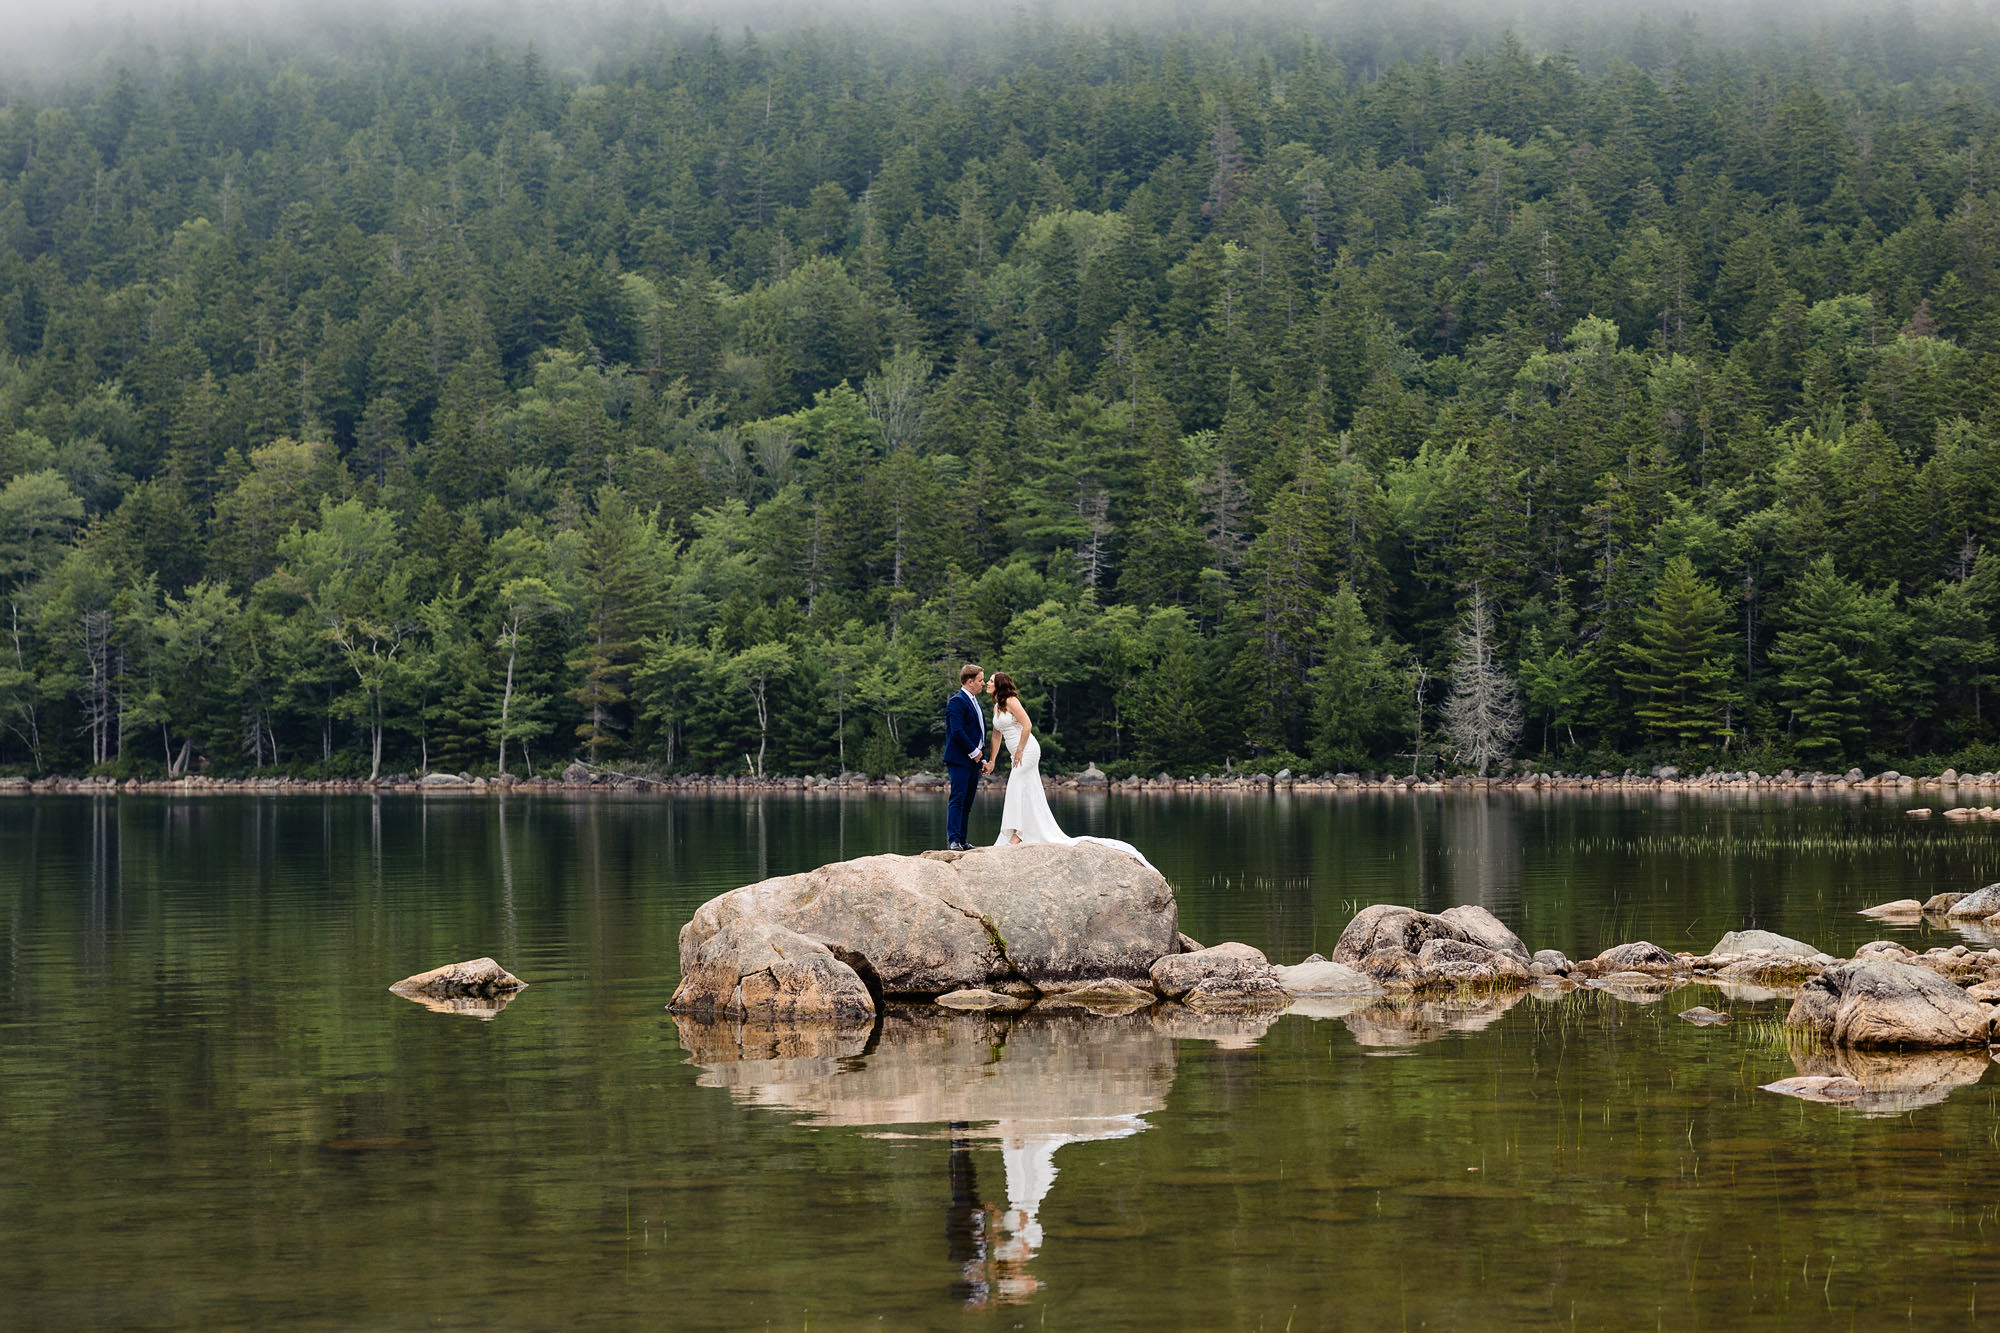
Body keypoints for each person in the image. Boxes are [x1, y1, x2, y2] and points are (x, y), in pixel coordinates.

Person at [983, 671, 1153, 868]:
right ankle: (1021, 832)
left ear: (1000, 685)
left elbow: (1027, 725)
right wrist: (993, 760)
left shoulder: (1011, 701)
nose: (987, 683)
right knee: (1026, 789)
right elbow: (996, 736)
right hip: (1016, 754)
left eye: (991, 681)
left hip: (1027, 750)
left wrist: (1020, 749)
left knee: (1015, 786)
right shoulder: (997, 706)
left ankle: (1016, 835)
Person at [942, 663, 991, 851]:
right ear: (970, 681)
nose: (983, 683)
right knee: (958, 798)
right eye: (980, 680)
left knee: (968, 800)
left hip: (973, 760)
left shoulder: (974, 701)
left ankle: (962, 839)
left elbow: (978, 733)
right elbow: (957, 732)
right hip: (959, 759)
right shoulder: (957, 701)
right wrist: (974, 752)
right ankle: (953, 840)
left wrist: (982, 758)